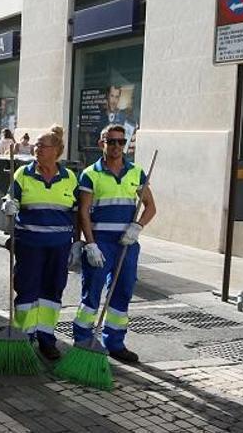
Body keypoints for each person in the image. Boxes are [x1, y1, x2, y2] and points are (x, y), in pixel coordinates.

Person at [72, 124, 156, 364]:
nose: (117, 146)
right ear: (102, 143)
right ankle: (82, 340)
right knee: (93, 292)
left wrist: (138, 226)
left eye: (121, 141)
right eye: (112, 141)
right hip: (101, 242)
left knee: (123, 292)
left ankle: (115, 342)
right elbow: (84, 213)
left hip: (126, 243)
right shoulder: (91, 174)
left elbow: (151, 207)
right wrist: (89, 244)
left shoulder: (137, 173)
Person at [1, 125, 77, 360]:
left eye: (43, 146)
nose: (37, 148)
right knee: (26, 290)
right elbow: (10, 196)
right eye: (36, 145)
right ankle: (24, 338)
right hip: (29, 244)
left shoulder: (70, 177)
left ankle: (46, 339)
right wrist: (8, 203)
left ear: (57, 151)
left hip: (59, 246)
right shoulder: (23, 173)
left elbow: (76, 211)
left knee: (52, 291)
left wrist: (78, 242)